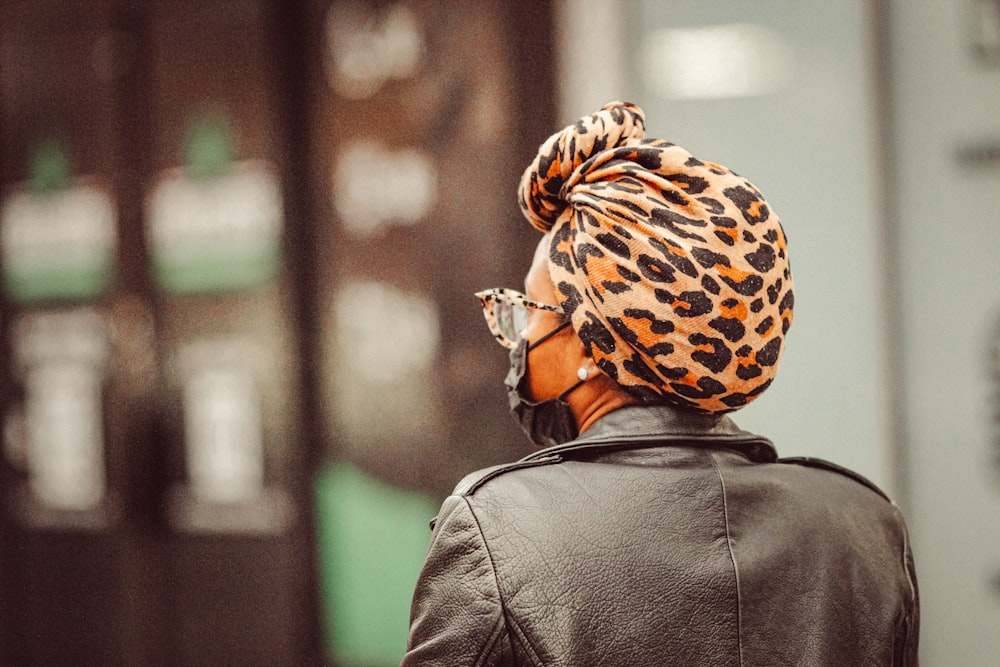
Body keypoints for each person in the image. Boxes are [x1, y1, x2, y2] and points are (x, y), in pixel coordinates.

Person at [401, 102, 919, 666]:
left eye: (531, 312)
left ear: (593, 347)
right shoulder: (864, 526)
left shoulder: (495, 532)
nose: (520, 339)